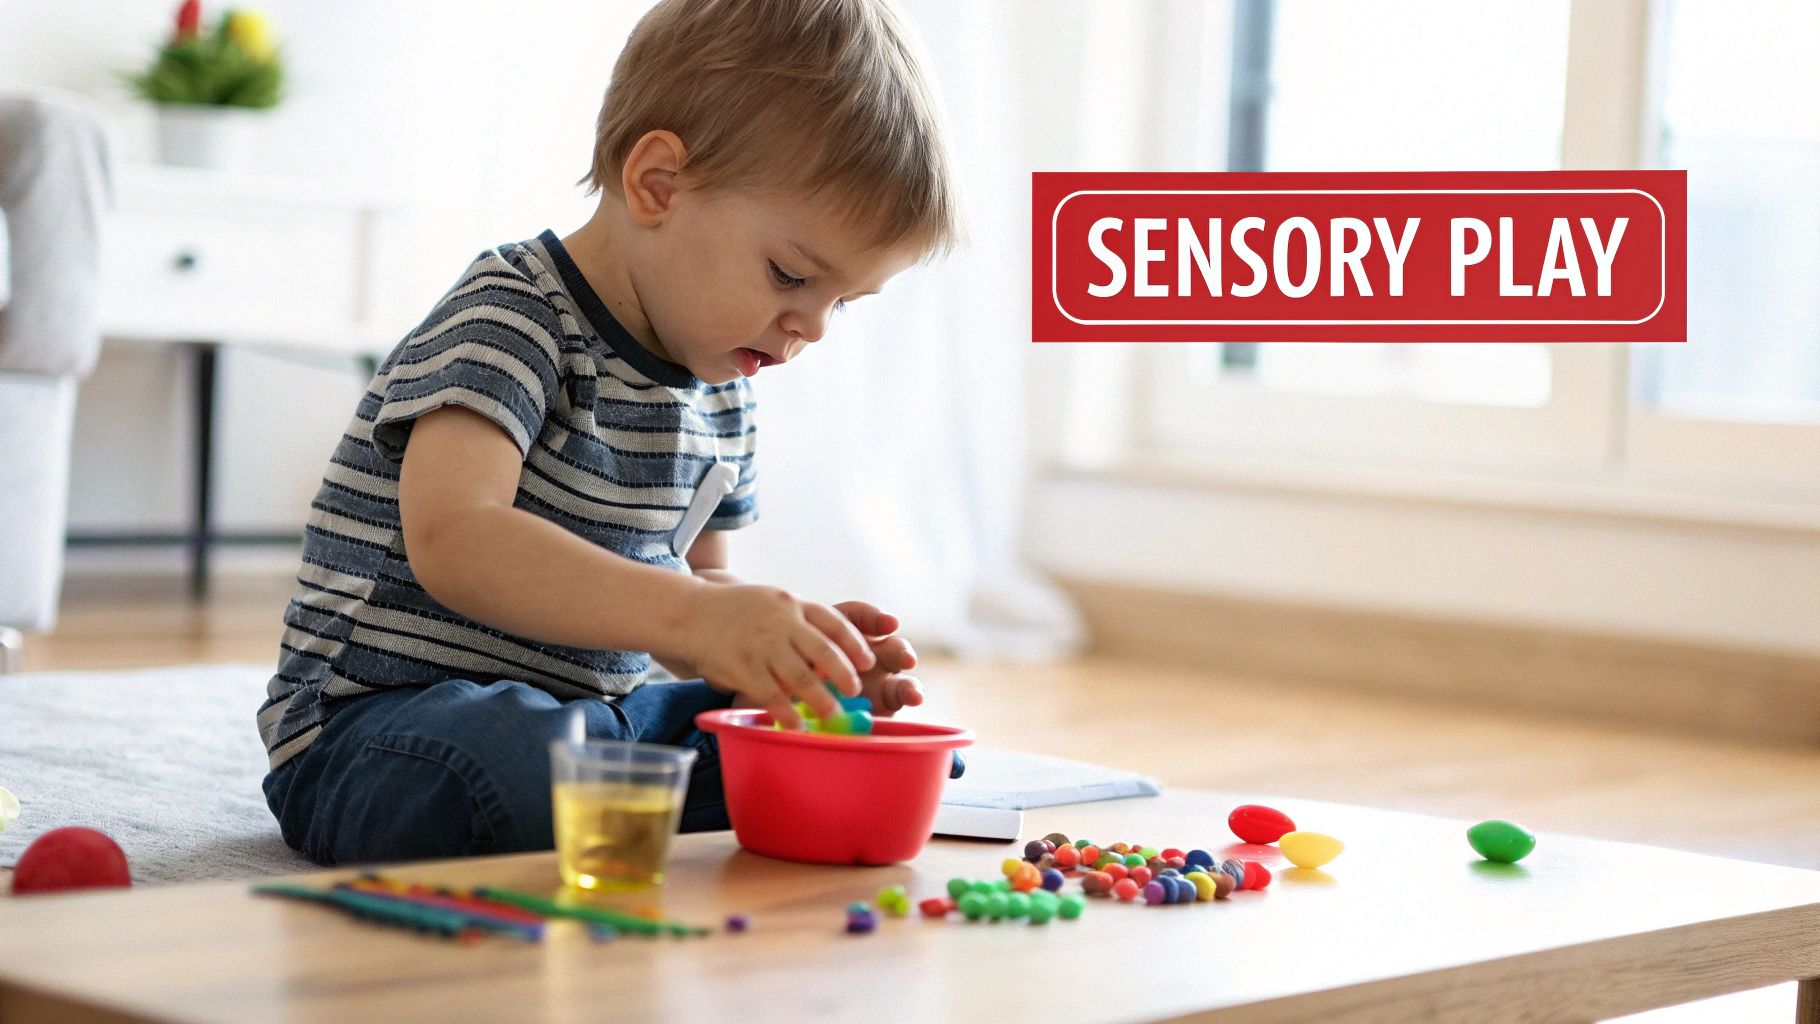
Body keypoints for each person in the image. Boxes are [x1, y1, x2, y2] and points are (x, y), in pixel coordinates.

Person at [257, 0, 964, 865]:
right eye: (791, 275)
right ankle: (620, 798)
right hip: (383, 723)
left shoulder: (727, 387)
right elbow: (456, 539)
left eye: (841, 302)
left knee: (815, 750)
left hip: (598, 722)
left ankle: (681, 791)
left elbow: (695, 605)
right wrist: (698, 616)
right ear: (658, 184)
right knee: (511, 759)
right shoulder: (512, 315)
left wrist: (779, 672)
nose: (809, 328)